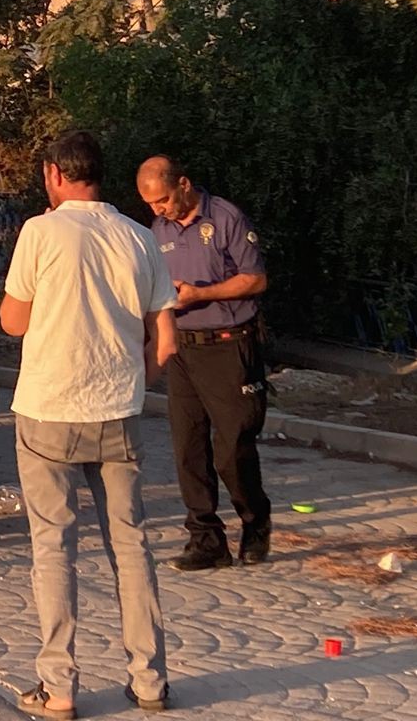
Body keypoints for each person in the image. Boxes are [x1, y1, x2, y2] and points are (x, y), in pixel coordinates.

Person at [0, 131, 176, 718]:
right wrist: (135, 382)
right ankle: (150, 681)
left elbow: (13, 323)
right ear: (102, 175)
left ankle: (60, 688)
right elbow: (165, 341)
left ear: (54, 174)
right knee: (132, 546)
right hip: (118, 412)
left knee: (54, 547)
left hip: (48, 409)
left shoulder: (40, 233)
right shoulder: (139, 237)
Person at [136, 156, 273, 571]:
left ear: (183, 183)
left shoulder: (226, 218)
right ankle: (206, 538)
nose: (159, 210)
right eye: (151, 205)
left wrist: (201, 294)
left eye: (163, 200)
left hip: (229, 345)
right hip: (182, 348)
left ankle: (255, 521)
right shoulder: (156, 231)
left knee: (231, 448)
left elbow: (256, 279)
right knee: (188, 449)